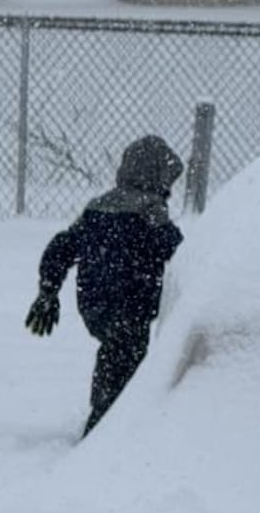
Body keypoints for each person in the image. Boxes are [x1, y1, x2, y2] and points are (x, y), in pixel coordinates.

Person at [25, 135, 185, 437]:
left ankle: (107, 414)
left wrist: (48, 291)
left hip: (94, 304)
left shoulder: (97, 208)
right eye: (168, 182)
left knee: (115, 349)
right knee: (126, 356)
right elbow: (179, 250)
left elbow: (61, 247)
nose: (170, 190)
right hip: (132, 304)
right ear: (156, 178)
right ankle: (106, 429)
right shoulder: (150, 211)